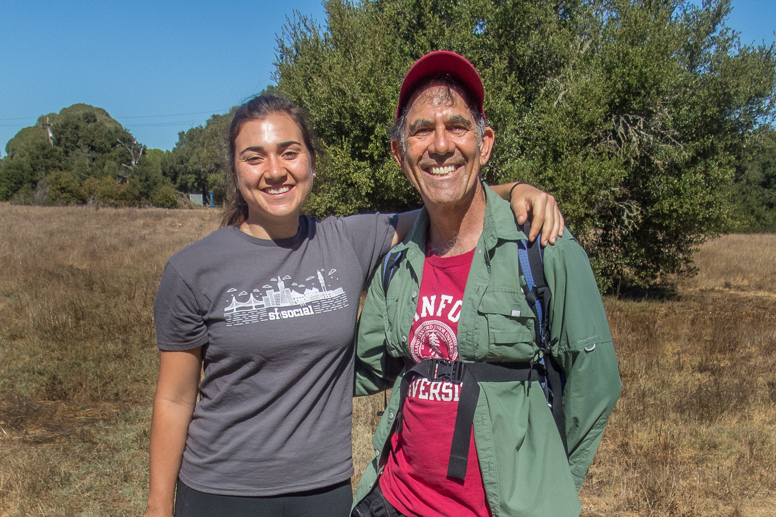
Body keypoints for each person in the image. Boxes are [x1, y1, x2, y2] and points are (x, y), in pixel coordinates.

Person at [144, 94, 565, 517]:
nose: (275, 171)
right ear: (235, 170)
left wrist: (517, 190)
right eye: (254, 158)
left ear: (311, 161)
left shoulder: (347, 241)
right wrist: (158, 506)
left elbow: (447, 198)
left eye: (289, 153)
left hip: (323, 490)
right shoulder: (192, 269)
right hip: (221, 491)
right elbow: (175, 400)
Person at [352, 51, 622, 517]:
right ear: (400, 153)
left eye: (457, 126)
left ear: (485, 142)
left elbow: (595, 384)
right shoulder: (395, 264)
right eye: (421, 130)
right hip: (394, 501)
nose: (440, 146)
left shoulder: (542, 247)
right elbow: (363, 370)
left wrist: (548, 485)